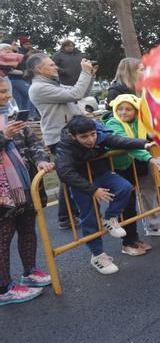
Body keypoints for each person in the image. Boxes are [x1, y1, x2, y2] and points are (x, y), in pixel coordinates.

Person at [55, 116, 154, 274]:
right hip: (81, 182)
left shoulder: (99, 134)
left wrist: (144, 144)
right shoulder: (65, 147)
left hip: (101, 172)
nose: (90, 140)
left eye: (92, 134)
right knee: (90, 217)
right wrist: (93, 190)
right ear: (73, 136)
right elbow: (65, 172)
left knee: (125, 187)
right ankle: (98, 255)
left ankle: (110, 218)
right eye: (84, 137)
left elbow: (117, 141)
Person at [0, 76, 54, 305]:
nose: (7, 95)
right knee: (3, 237)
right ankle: (4, 288)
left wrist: (41, 160)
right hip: (4, 194)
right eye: (2, 92)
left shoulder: (13, 114)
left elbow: (34, 144)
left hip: (26, 185)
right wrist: (5, 136)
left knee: (28, 230)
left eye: (7, 90)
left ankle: (29, 271)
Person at [27, 53, 96, 229]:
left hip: (68, 134)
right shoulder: (39, 88)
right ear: (39, 69)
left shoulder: (52, 84)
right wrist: (84, 73)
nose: (55, 67)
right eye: (51, 65)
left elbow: (81, 94)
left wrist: (91, 74)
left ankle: (66, 216)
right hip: (59, 137)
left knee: (70, 177)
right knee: (71, 177)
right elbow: (75, 93)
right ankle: (67, 217)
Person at [105, 94, 160, 238]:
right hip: (123, 166)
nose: (123, 112)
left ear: (136, 111)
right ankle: (152, 226)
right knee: (141, 195)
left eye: (128, 109)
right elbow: (127, 144)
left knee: (157, 187)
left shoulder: (140, 121)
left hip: (138, 162)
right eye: (120, 109)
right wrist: (149, 157)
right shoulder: (113, 123)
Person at [7, 38, 35, 117]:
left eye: (30, 44)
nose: (29, 46)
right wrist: (23, 72)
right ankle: (30, 117)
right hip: (16, 79)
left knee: (24, 100)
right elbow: (9, 69)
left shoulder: (20, 53)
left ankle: (23, 119)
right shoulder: (11, 55)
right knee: (32, 95)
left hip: (24, 79)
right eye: (14, 44)